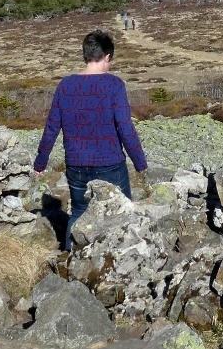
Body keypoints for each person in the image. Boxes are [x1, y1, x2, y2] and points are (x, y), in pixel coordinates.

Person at [34, 30, 148, 250]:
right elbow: (125, 128)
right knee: (121, 213)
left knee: (77, 212)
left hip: (76, 164)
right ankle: (117, 261)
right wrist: (140, 163)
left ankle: (69, 260)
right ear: (106, 56)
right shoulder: (114, 85)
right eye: (110, 61)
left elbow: (51, 128)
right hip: (110, 164)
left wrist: (41, 162)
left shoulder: (65, 86)